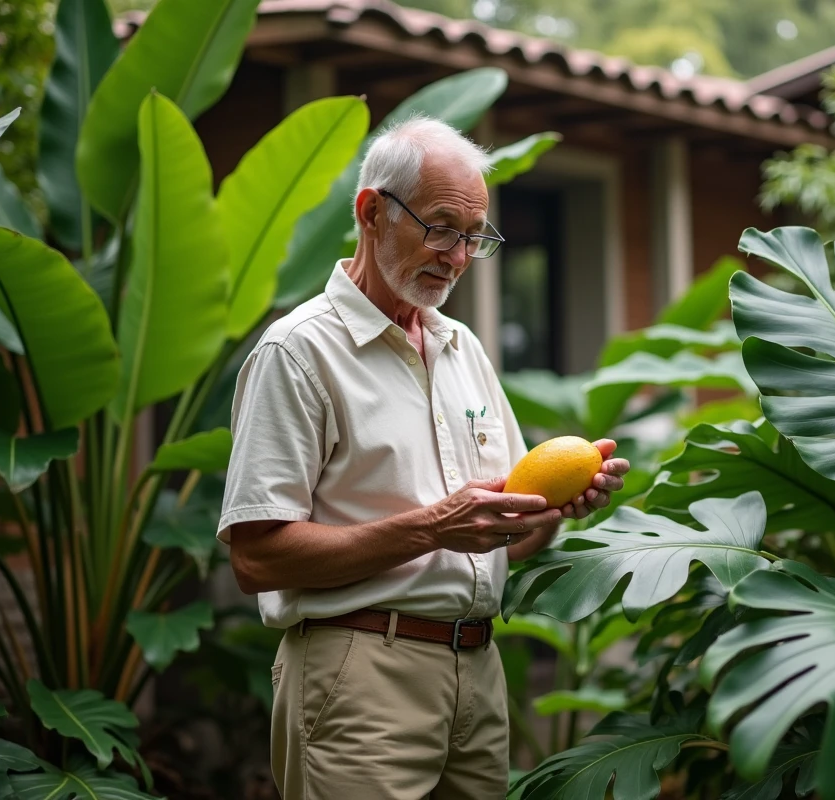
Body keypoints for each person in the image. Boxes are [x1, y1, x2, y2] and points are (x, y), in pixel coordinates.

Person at [217, 115, 629, 800]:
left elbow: (504, 540)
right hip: (359, 672)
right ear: (371, 211)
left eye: (474, 237)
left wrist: (554, 512)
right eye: (441, 227)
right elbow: (257, 557)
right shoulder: (298, 352)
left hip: (478, 673)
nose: (458, 255)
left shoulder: (464, 348)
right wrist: (432, 527)